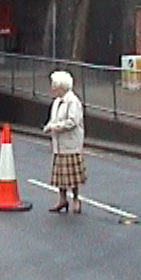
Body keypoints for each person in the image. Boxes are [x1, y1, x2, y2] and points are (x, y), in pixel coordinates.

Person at [42, 70, 86, 214]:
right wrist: (49, 125)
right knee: (60, 175)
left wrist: (54, 127)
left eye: (54, 86)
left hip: (71, 144)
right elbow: (54, 118)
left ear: (62, 86)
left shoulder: (73, 102)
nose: (52, 89)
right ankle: (62, 199)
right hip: (59, 144)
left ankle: (76, 199)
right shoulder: (57, 102)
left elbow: (72, 122)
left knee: (72, 177)